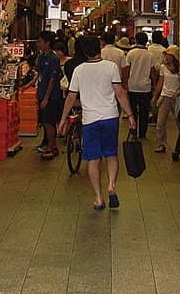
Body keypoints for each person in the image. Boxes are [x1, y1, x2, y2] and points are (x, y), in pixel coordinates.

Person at [58, 34, 134, 211]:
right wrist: (130, 115)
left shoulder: (79, 70)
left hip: (90, 120)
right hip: (110, 117)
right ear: (99, 48)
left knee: (92, 159)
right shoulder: (111, 67)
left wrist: (63, 119)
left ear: (84, 52)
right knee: (111, 154)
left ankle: (99, 198)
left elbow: (71, 96)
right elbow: (120, 92)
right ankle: (111, 186)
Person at [35, 30, 64, 159]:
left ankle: (52, 147)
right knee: (45, 121)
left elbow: (52, 80)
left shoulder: (53, 58)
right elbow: (39, 75)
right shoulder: (41, 57)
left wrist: (46, 98)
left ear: (47, 43)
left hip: (51, 96)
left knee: (49, 122)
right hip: (42, 93)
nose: (38, 44)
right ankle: (48, 145)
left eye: (40, 41)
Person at [126, 31, 157, 139]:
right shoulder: (150, 55)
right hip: (145, 87)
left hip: (132, 86)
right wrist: (154, 84)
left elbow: (127, 69)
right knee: (144, 112)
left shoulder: (131, 53)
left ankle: (133, 131)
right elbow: (152, 71)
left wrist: (125, 84)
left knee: (133, 111)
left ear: (136, 40)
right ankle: (142, 133)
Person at [152, 50, 180, 153]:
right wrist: (155, 96)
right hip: (165, 96)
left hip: (177, 97)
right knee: (160, 122)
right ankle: (161, 143)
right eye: (166, 55)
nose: (167, 57)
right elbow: (160, 82)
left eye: (169, 55)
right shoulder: (162, 67)